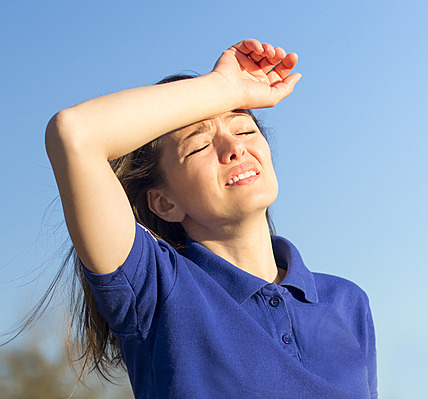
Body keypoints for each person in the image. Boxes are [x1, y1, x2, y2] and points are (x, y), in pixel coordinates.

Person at [45, 39, 377, 398]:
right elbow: (74, 133)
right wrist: (223, 87)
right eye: (200, 146)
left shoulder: (347, 302)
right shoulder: (156, 290)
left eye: (245, 130)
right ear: (164, 202)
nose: (235, 148)